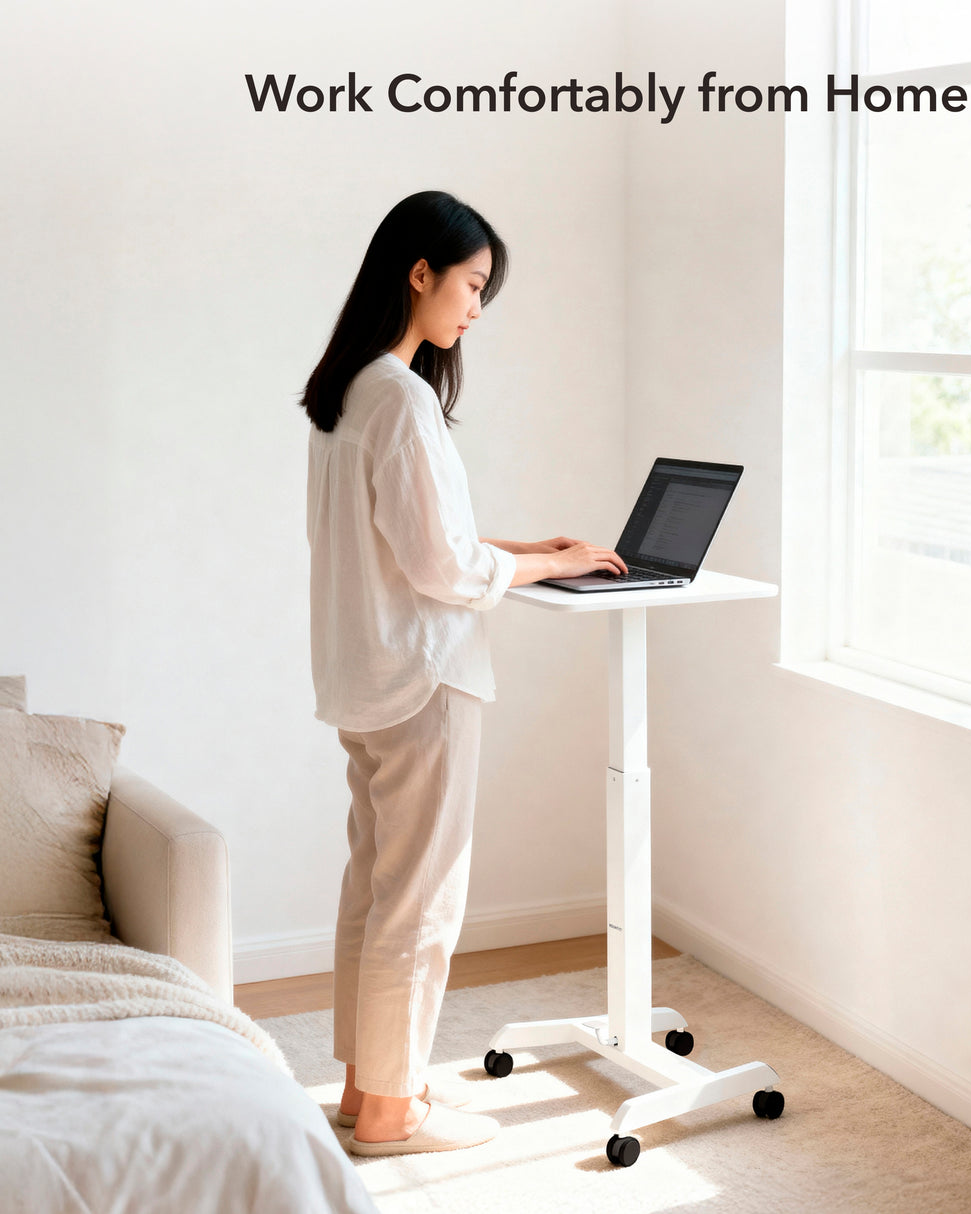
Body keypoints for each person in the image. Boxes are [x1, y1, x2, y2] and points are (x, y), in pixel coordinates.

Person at [301, 191, 627, 1157]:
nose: (477, 308)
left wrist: (526, 549)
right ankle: (393, 1114)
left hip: (365, 679)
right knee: (421, 900)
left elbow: (404, 536)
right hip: (424, 680)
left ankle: (367, 1090)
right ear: (420, 273)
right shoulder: (402, 398)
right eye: (473, 285)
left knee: (375, 891)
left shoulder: (348, 390)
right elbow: (442, 568)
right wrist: (539, 569)